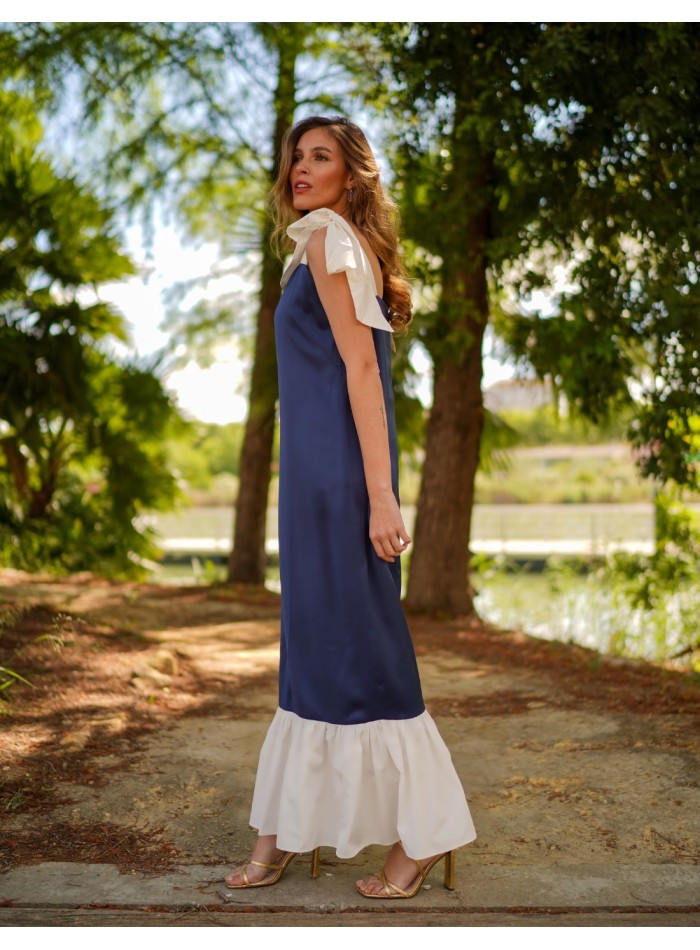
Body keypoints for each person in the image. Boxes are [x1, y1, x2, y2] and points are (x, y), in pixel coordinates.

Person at [224, 115, 476, 899]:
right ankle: (281, 835)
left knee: (368, 652)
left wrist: (380, 496)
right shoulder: (313, 246)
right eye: (296, 156)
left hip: (341, 485)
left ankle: (423, 838)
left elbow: (364, 374)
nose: (301, 168)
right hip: (309, 488)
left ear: (351, 175)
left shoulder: (332, 241)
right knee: (307, 651)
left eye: (320, 156)